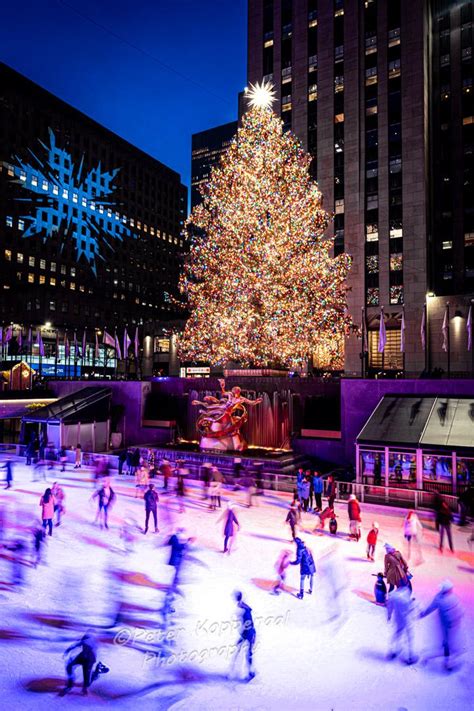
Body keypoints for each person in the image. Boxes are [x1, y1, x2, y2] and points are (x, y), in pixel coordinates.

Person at [419, 579, 464, 671]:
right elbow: (460, 610)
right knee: (448, 640)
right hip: (450, 624)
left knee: (447, 640)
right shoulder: (453, 598)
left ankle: (447, 658)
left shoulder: (439, 598)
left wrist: (423, 614)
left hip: (446, 624)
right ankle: (447, 660)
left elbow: (431, 608)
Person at [62, 631, 108, 695]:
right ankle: (70, 685)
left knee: (86, 678)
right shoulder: (86, 640)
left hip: (89, 661)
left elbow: (98, 655)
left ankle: (94, 674)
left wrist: (98, 665)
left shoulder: (93, 644)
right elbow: (76, 645)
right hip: (82, 657)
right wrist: (67, 651)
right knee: (69, 666)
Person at [386, 584, 416, 665]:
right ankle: (410, 656)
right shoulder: (406, 593)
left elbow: (390, 607)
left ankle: (392, 651)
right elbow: (409, 606)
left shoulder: (392, 595)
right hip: (406, 619)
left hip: (398, 618)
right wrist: (412, 604)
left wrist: (388, 616)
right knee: (409, 636)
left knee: (397, 633)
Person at [229, 591, 256, 681]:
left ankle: (248, 673)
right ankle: (247, 672)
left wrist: (242, 637)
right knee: (246, 653)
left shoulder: (243, 610)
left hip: (249, 633)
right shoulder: (243, 606)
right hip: (249, 633)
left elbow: (247, 624)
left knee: (246, 653)